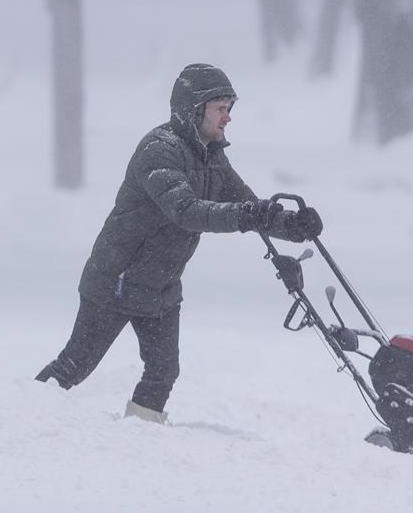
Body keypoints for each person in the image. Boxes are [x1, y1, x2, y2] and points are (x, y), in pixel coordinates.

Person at [35, 63, 323, 423]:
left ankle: (141, 440)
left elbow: (248, 204)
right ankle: (26, 415)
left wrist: (292, 225)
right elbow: (186, 211)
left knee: (163, 372)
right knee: (74, 366)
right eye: (221, 109)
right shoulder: (159, 151)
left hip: (161, 287)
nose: (228, 118)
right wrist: (247, 214)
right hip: (116, 282)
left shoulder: (212, 156)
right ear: (194, 109)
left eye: (230, 109)